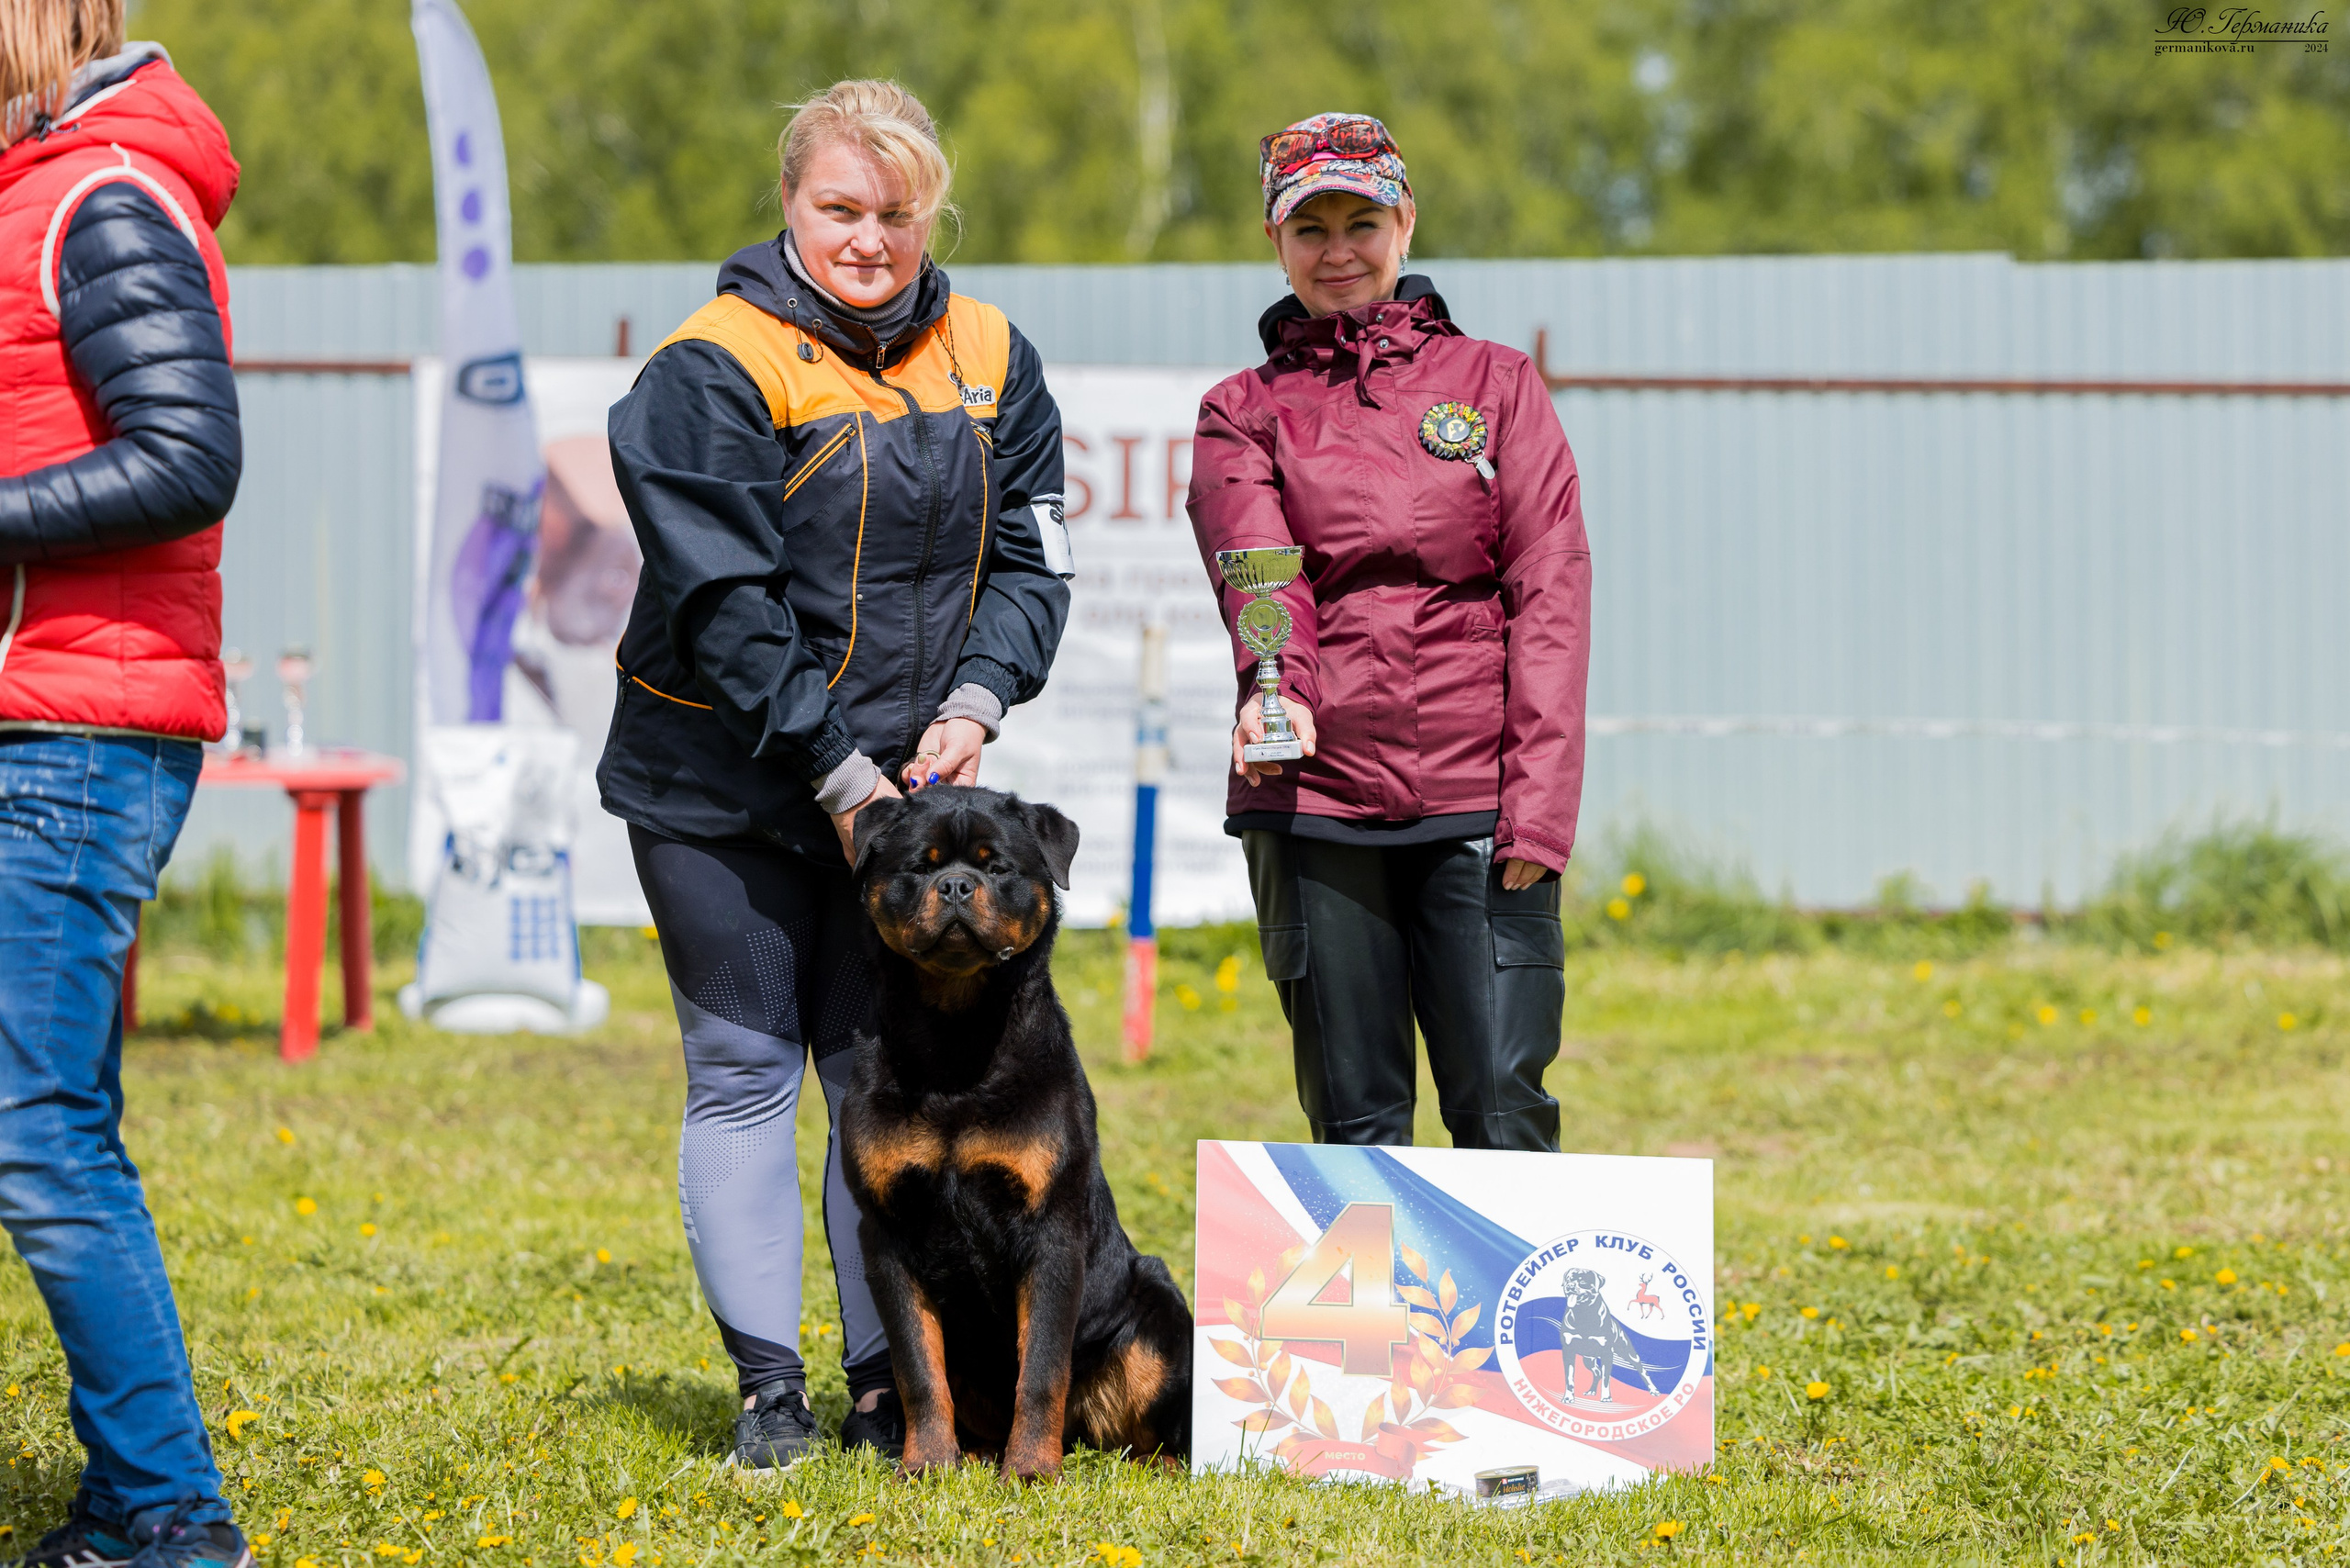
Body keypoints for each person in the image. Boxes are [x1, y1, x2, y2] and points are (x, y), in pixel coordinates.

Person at [597, 79, 1072, 1470]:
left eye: (897, 212)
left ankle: (887, 1384)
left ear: (934, 211)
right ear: (793, 206)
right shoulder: (709, 366)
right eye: (840, 209)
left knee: (881, 1079)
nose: (869, 237)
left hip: (904, 810)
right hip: (726, 787)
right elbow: (725, 603)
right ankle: (770, 1392)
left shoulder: (993, 352)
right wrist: (841, 771)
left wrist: (979, 699)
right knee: (746, 1074)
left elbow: (1035, 565)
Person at [1186, 113, 1591, 1152]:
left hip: (1478, 804)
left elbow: (1549, 596)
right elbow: (1260, 581)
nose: (1336, 250)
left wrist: (1536, 812)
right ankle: (1383, 1325)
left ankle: (1515, 1325)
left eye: (1359, 219)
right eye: (1307, 226)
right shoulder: (1241, 411)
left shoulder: (1497, 385)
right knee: (1354, 1129)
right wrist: (1279, 695)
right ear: (1273, 241)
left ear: (1404, 222)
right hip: (1312, 802)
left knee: (1504, 1113)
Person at [0, 4, 249, 1564]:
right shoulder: (42, 184)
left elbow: (187, 450)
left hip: (77, 737)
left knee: (37, 1128)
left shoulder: (105, 196)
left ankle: (168, 1512)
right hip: (37, 709)